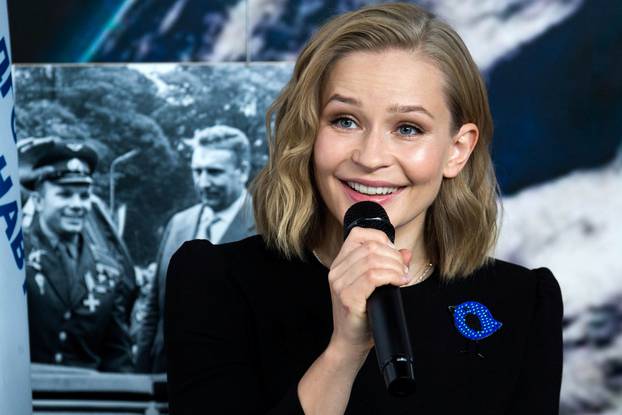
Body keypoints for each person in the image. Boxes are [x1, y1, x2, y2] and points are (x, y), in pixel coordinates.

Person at [165, 3, 563, 414]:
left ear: (457, 150)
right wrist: (343, 353)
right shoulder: (216, 282)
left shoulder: (523, 301)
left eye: (408, 128)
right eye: (345, 121)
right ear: (308, 132)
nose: (372, 157)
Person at [136, 124, 255, 373]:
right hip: (165, 380)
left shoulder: (271, 228)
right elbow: (154, 309)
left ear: (242, 171)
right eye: (197, 171)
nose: (203, 182)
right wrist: (141, 374)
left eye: (214, 172)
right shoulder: (178, 224)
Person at [20, 137, 134, 372]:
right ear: (38, 201)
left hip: (87, 402)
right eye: (65, 194)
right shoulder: (13, 258)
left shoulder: (109, 269)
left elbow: (117, 356)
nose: (77, 204)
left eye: (84, 196)